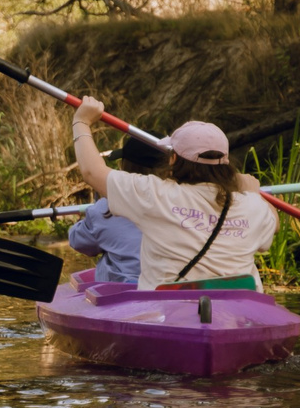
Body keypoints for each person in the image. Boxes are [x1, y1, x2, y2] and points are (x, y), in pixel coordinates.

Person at [69, 101, 275, 290]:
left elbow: (91, 172)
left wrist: (82, 121)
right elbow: (272, 227)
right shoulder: (252, 205)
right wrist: (253, 192)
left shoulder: (155, 194)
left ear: (173, 159)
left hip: (167, 311)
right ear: (226, 163)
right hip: (235, 315)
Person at [65, 137, 166, 286]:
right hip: (167, 286)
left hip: (123, 291)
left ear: (124, 166)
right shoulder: (179, 200)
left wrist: (96, 207)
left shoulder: (104, 208)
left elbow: (78, 241)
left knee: (107, 259)